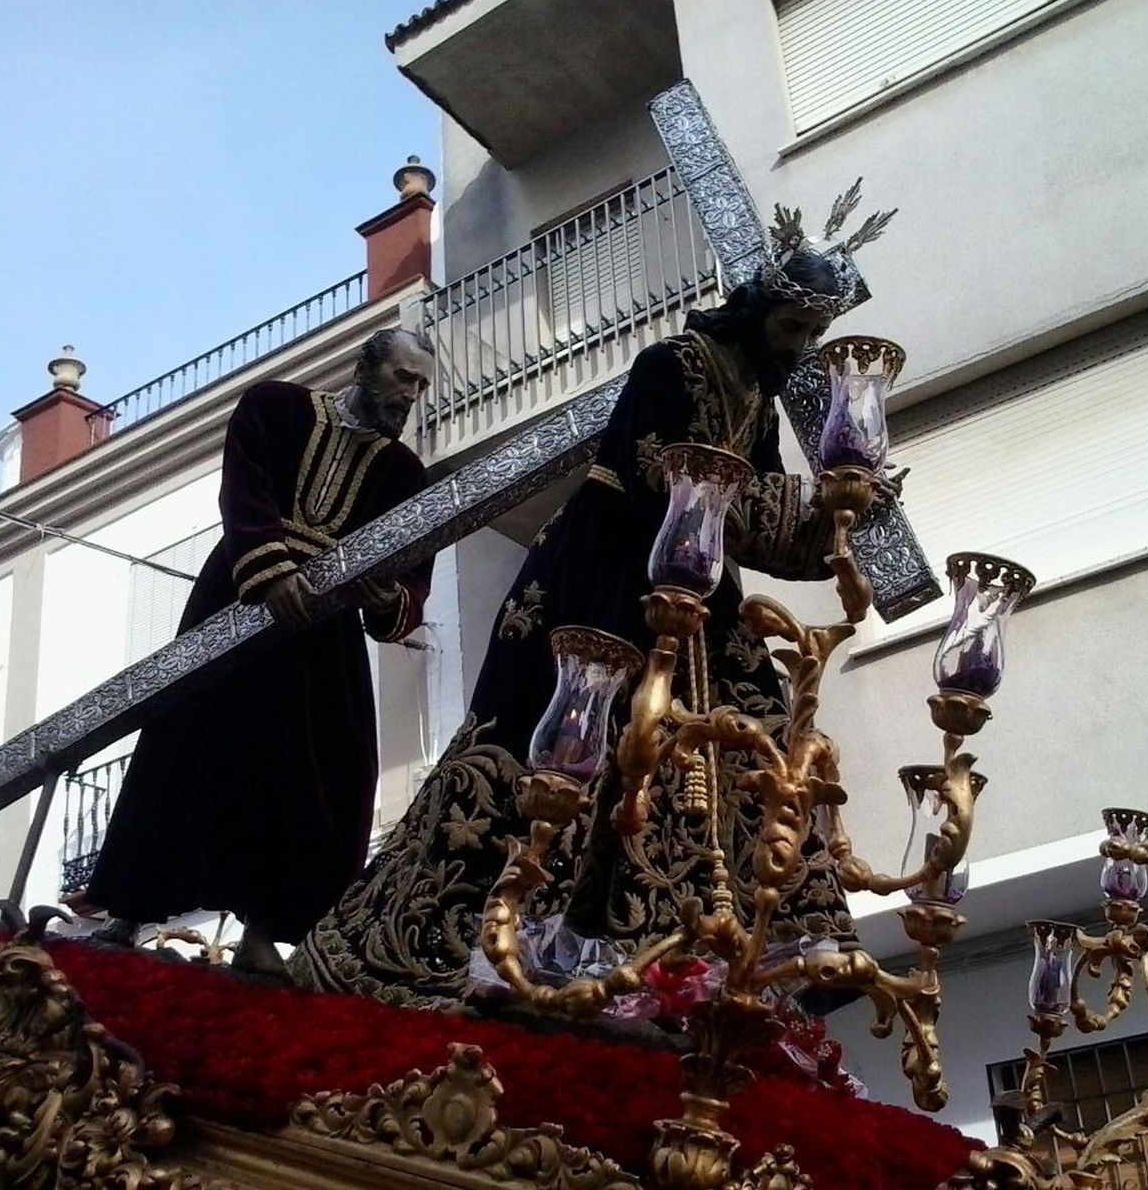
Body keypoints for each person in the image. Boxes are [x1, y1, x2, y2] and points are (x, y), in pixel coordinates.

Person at [296, 252, 883, 1004]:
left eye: (810, 332)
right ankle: (527, 940)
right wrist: (770, 506)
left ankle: (708, 947)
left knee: (747, 742)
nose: (797, 345)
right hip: (606, 574)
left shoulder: (759, 404)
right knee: (577, 740)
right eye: (790, 325)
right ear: (756, 311)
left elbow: (754, 523)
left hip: (701, 593)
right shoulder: (671, 362)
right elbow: (658, 472)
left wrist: (834, 515)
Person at [85, 328, 435, 978]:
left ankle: (267, 933)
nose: (410, 395)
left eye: (420, 385)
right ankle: (126, 914)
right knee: (186, 745)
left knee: (321, 771)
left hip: (321, 636)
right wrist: (271, 572)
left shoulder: (404, 474)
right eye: (403, 378)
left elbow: (413, 578)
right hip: (239, 601)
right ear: (366, 368)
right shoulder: (275, 407)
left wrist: (385, 596)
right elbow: (243, 494)